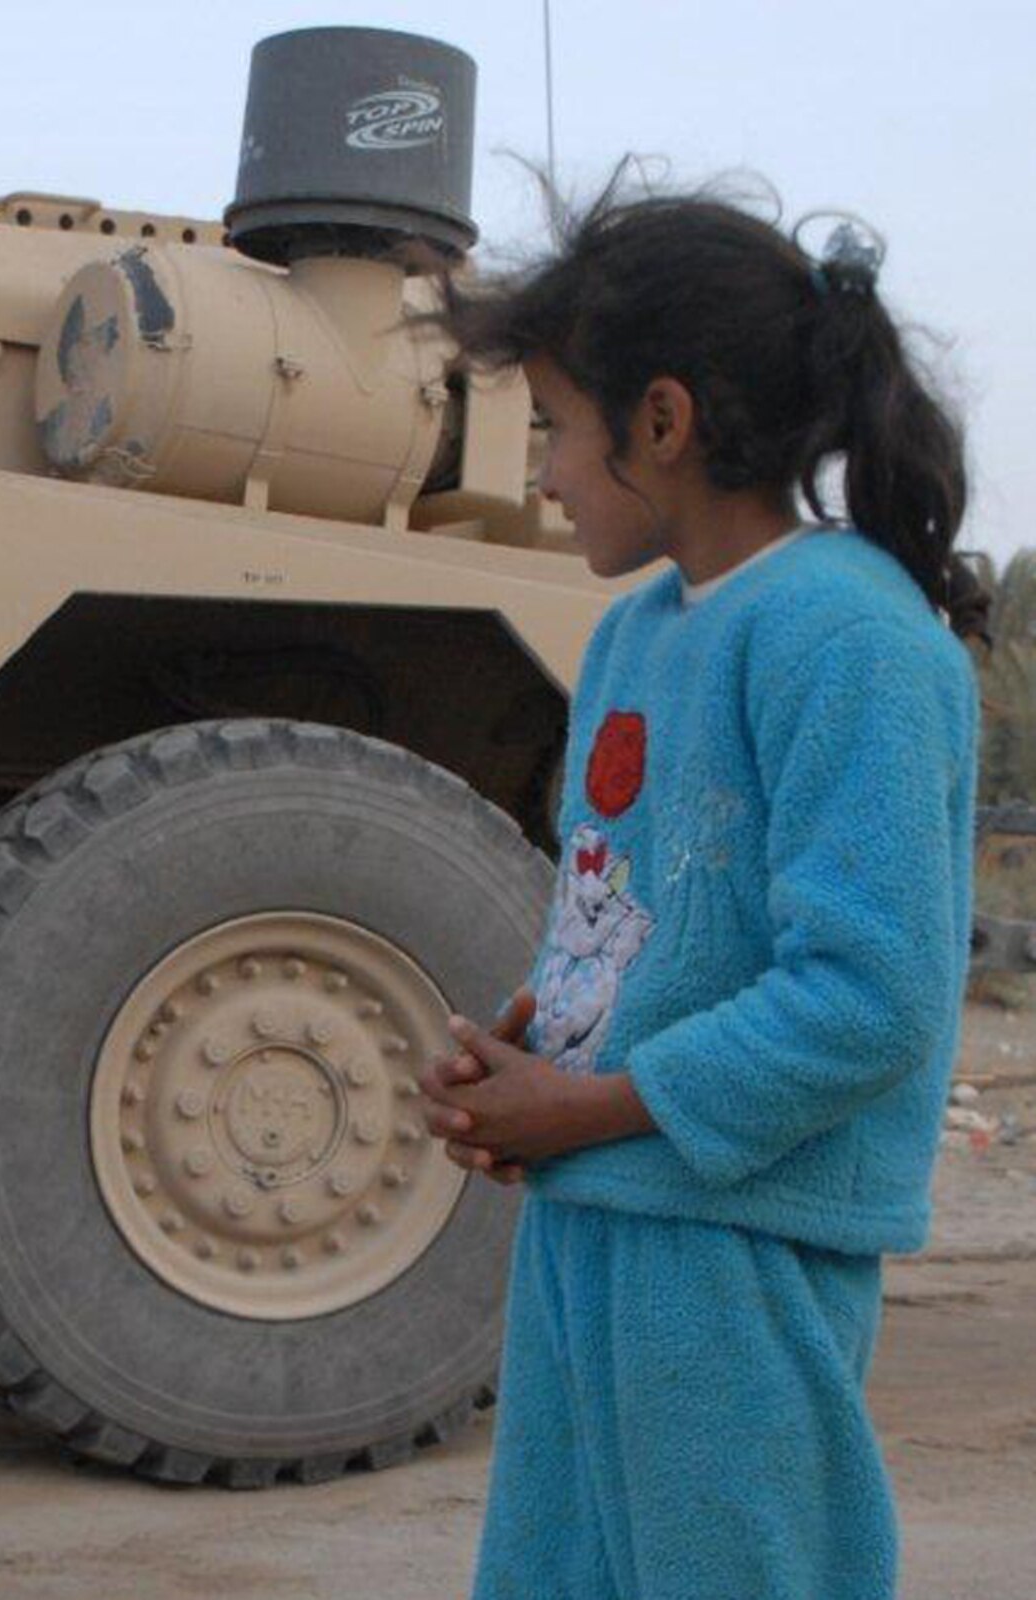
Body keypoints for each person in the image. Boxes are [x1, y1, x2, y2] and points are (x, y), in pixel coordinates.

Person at [419, 182, 977, 1600]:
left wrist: (593, 1105)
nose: (543, 471)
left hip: (738, 1254)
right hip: (599, 1217)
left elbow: (874, 994)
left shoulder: (851, 641)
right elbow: (626, 918)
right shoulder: (630, 637)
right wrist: (523, 1059)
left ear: (661, 422)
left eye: (555, 426)